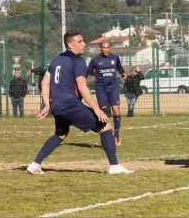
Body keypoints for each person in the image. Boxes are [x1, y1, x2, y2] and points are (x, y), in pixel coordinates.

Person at [26, 31, 133, 175]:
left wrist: (47, 104)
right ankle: (114, 166)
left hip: (58, 106)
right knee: (106, 126)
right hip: (71, 105)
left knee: (61, 134)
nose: (83, 44)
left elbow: (45, 82)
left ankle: (35, 164)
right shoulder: (77, 61)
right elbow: (82, 87)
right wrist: (96, 109)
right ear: (70, 45)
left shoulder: (57, 60)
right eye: (80, 41)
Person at [86, 41, 127, 148]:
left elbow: (119, 67)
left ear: (110, 48)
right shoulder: (95, 60)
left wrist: (123, 73)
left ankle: (116, 136)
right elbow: (87, 72)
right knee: (103, 111)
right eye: (103, 47)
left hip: (113, 87)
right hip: (101, 88)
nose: (105, 49)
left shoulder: (115, 58)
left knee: (116, 110)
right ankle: (105, 137)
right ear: (101, 49)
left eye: (107, 47)